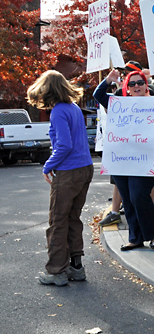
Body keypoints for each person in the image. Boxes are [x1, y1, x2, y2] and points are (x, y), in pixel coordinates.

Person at [28, 71, 94, 286]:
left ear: (47, 91)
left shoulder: (58, 111)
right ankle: (76, 267)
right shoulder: (74, 108)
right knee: (73, 218)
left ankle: (56, 270)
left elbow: (64, 145)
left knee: (58, 221)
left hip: (69, 172)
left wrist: (48, 166)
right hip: (85, 167)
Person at [94, 68, 154, 251]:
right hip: (122, 160)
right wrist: (108, 80)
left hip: (146, 160)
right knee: (128, 198)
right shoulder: (119, 103)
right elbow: (98, 94)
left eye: (140, 82)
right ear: (127, 88)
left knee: (139, 195)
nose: (136, 86)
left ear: (146, 85)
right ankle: (135, 238)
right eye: (132, 84)